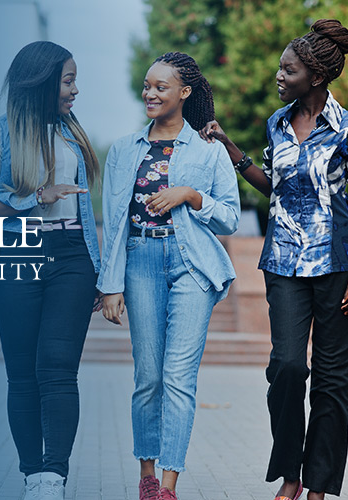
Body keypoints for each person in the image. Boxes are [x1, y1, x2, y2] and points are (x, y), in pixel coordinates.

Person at [200, 19, 348, 500]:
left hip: (339, 266)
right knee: (288, 367)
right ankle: (289, 472)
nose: (279, 76)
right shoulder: (277, 124)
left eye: (288, 69)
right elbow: (274, 186)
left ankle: (316, 485)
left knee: (334, 381)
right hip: (283, 263)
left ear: (315, 76)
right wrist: (231, 149)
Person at [0, 41, 102, 500]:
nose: (75, 89)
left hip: (71, 256)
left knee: (59, 368)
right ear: (42, 81)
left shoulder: (72, 133)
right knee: (22, 373)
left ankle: (52, 477)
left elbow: (85, 212)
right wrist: (33, 197)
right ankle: (31, 475)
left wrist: (102, 273)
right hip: (17, 253)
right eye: (68, 80)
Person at [100, 52, 240, 500]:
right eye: (147, 85)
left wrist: (192, 196)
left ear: (185, 93)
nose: (150, 93)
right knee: (149, 377)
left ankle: (167, 486)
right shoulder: (124, 150)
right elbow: (114, 218)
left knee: (180, 377)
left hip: (191, 265)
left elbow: (231, 219)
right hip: (140, 260)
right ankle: (145, 476)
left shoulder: (210, 151)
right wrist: (111, 283)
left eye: (161, 87)